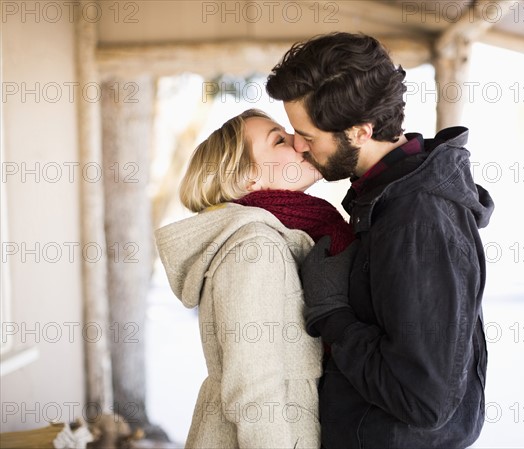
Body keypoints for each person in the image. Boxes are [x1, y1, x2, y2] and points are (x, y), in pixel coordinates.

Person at [266, 32, 494, 448]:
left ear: (359, 132)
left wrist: (331, 315)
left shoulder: (417, 219)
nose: (298, 146)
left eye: (308, 136)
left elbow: (424, 400)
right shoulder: (385, 197)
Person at [154, 109, 355, 449]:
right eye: (279, 139)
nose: (298, 140)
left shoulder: (283, 239)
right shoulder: (255, 248)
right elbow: (252, 386)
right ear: (249, 178)